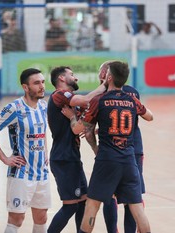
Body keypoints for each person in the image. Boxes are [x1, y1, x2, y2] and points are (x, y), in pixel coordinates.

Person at [61, 61, 153, 233]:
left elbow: (79, 129)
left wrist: (73, 117)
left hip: (107, 160)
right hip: (129, 159)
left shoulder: (99, 100)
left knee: (92, 205)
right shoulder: (132, 99)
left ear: (108, 77)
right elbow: (150, 117)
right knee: (137, 208)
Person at [0, 68, 51, 233]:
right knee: (16, 219)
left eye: (42, 82)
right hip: (21, 174)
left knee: (41, 217)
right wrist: (5, 158)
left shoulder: (43, 106)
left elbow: (42, 134)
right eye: (36, 83)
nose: (42, 86)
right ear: (25, 87)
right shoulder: (14, 108)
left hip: (42, 173)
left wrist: (46, 152)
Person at [47, 66, 107, 233]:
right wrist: (104, 85)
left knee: (83, 202)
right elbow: (87, 100)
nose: (76, 78)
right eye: (72, 75)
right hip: (63, 159)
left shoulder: (70, 103)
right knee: (70, 206)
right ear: (61, 79)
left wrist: (90, 128)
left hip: (72, 158)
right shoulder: (58, 95)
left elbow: (79, 126)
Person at [95, 61, 147, 233]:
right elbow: (140, 117)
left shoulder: (101, 97)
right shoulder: (132, 93)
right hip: (133, 149)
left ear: (106, 76)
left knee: (108, 195)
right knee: (133, 198)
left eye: (101, 73)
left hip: (114, 152)